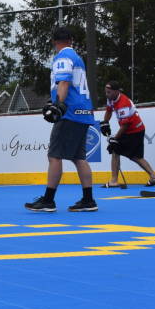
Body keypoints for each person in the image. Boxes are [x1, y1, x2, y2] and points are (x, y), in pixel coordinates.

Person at [27, 26, 98, 212]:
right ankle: (88, 199)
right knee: (78, 157)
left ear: (54, 42)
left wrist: (57, 104)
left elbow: (64, 81)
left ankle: (49, 200)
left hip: (70, 113)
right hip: (84, 113)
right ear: (71, 40)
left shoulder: (63, 57)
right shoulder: (77, 58)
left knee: (54, 156)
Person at [99, 80, 155, 188]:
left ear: (116, 91)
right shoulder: (111, 99)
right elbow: (109, 111)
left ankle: (115, 181)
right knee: (121, 152)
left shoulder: (123, 103)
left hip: (134, 130)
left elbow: (125, 125)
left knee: (129, 154)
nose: (106, 94)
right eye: (106, 92)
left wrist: (115, 138)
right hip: (132, 130)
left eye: (109, 92)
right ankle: (153, 177)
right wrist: (105, 122)